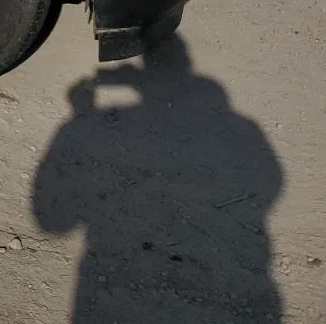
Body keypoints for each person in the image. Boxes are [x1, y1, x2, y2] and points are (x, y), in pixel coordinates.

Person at [32, 36, 283, 323]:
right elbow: (272, 182)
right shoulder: (241, 126)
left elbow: (52, 223)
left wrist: (82, 112)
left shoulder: (84, 128)